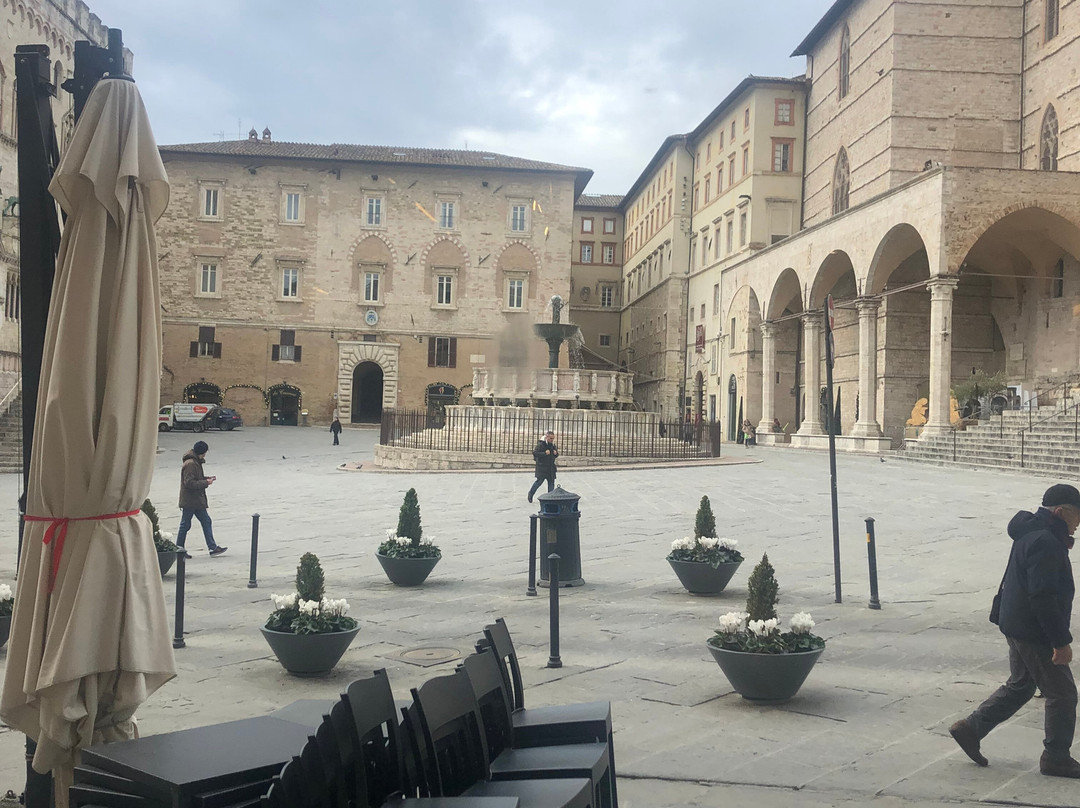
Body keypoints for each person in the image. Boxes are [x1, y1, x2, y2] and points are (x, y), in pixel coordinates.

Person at [949, 483, 1080, 778]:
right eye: (1077, 516)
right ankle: (1056, 757)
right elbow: (1043, 596)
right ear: (1060, 512)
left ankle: (970, 729)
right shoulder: (1046, 540)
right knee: (1063, 694)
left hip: (1016, 621)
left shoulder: (1031, 531)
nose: (1078, 524)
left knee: (1021, 685)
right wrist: (1061, 642)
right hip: (1034, 629)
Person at [176, 440, 227, 558]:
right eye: (204, 453)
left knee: (206, 521)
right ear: (201, 452)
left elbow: (195, 478)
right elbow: (189, 482)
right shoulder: (191, 464)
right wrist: (205, 483)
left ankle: (212, 547)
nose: (205, 455)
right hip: (190, 500)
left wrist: (206, 478)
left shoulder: (195, 462)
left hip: (196, 500)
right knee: (185, 525)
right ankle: (179, 549)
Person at [527, 430, 559, 503]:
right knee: (539, 482)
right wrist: (544, 453)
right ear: (547, 437)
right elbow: (535, 453)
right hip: (542, 468)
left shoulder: (553, 445)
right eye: (551, 438)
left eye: (553, 438)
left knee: (551, 483)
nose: (552, 440)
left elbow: (556, 454)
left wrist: (556, 453)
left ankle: (550, 498)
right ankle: (531, 493)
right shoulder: (541, 444)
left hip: (551, 468)